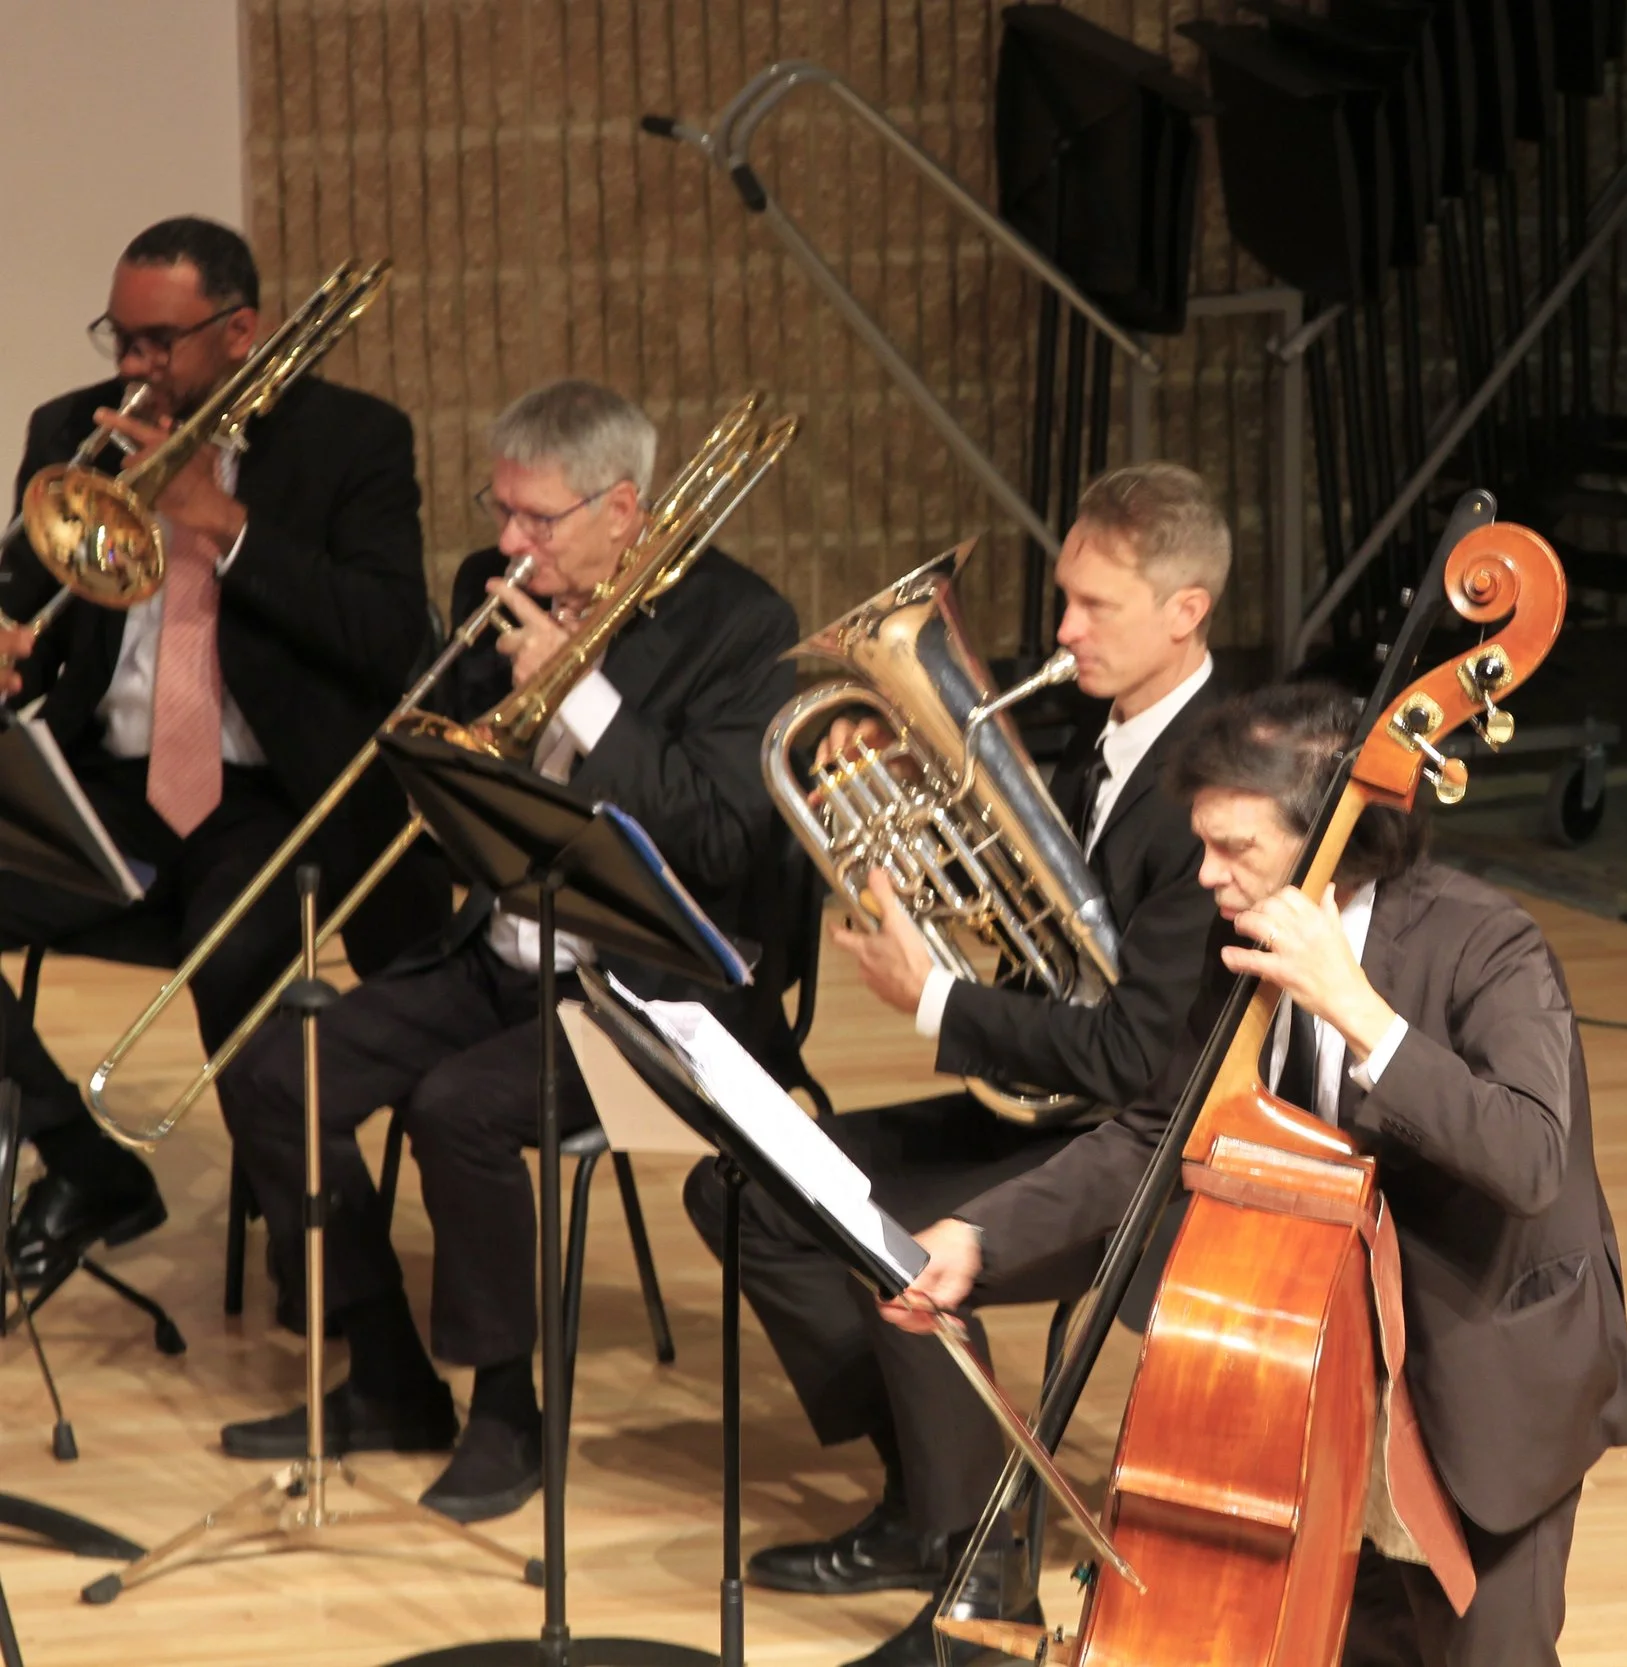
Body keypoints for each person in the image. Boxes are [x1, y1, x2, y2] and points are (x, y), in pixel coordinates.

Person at [879, 682, 1627, 1667]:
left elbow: (1532, 1157)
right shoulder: (1239, 935)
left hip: (1485, 1367)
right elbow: (1160, 1131)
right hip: (1325, 1368)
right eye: (1201, 843)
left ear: (1331, 837)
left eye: (1234, 847)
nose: (1205, 873)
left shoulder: (1486, 945)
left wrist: (1358, 1012)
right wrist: (978, 1236)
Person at [214, 379, 800, 1523]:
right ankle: (388, 1374)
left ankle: (505, 1408)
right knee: (276, 1073)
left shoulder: (742, 624)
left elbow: (723, 837)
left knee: (457, 1109)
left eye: (538, 518)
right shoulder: (492, 590)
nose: (509, 542)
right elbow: (461, 776)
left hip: (650, 987)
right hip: (504, 949)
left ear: (622, 510)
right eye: (501, 510)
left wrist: (584, 697)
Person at [682, 461, 1230, 1664]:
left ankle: (981, 1571)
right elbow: (1048, 955)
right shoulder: (1100, 741)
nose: (1063, 628)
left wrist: (933, 994)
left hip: (1134, 1155)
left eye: (1094, 606)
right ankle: (925, 1493)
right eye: (1063, 598)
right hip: (1047, 1113)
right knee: (746, 1185)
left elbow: (1133, 1052)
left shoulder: (1216, 787)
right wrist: (907, 846)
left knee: (886, 1233)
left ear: (1185, 611)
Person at [0, 216, 443, 1294]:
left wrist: (227, 525)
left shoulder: (354, 440)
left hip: (275, 793)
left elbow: (391, 637)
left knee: (239, 965)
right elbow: (31, 596)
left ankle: (332, 1270)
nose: (135, 364)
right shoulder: (73, 426)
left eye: (161, 341)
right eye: (121, 337)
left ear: (241, 330)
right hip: (111, 781)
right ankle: (88, 1162)